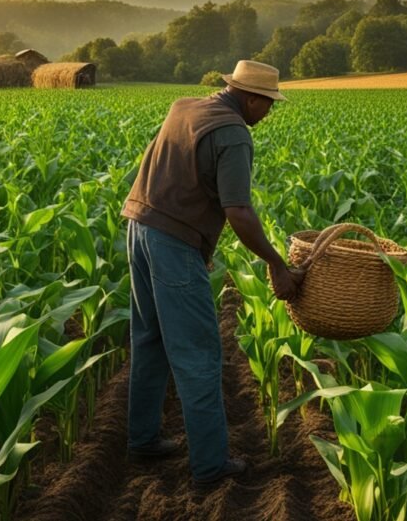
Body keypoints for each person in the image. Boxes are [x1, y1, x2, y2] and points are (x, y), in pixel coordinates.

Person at [121, 60, 302, 487]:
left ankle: (143, 439)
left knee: (149, 341)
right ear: (251, 98)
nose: (269, 113)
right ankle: (210, 466)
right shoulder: (233, 133)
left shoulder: (185, 107)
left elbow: (180, 178)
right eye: (269, 104)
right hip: (171, 242)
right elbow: (238, 211)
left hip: (139, 228)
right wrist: (277, 264)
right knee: (199, 355)